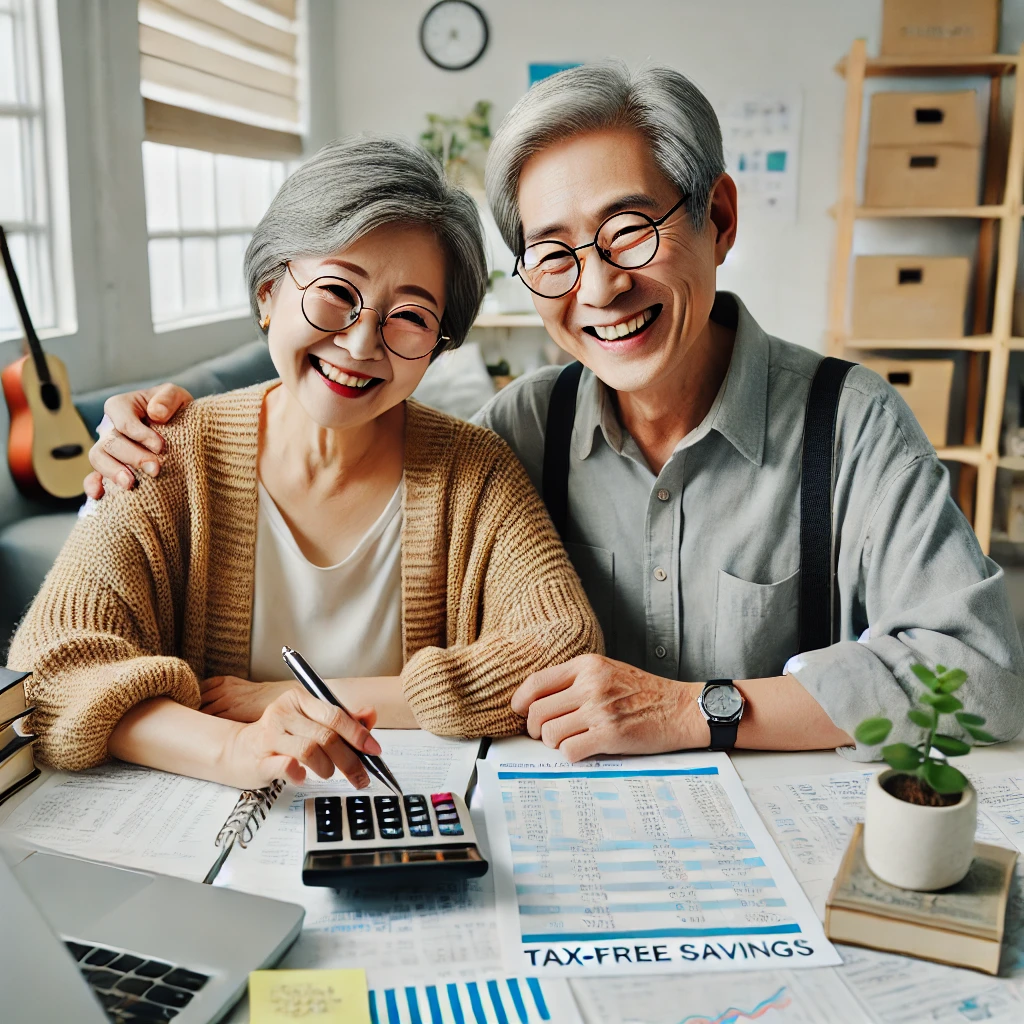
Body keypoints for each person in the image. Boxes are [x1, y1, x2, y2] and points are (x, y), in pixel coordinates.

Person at [83, 62, 1024, 765]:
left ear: (720, 219)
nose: (602, 287)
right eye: (556, 254)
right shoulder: (517, 430)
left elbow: (984, 672)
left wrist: (705, 710)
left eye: (628, 231)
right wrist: (144, 442)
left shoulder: (849, 425)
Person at [7, 136, 600, 790]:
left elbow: (562, 648)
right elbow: (47, 675)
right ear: (268, 293)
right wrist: (233, 747)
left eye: (409, 317)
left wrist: (312, 698)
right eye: (334, 292)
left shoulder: (474, 469)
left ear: (436, 348)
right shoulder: (166, 452)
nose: (360, 341)